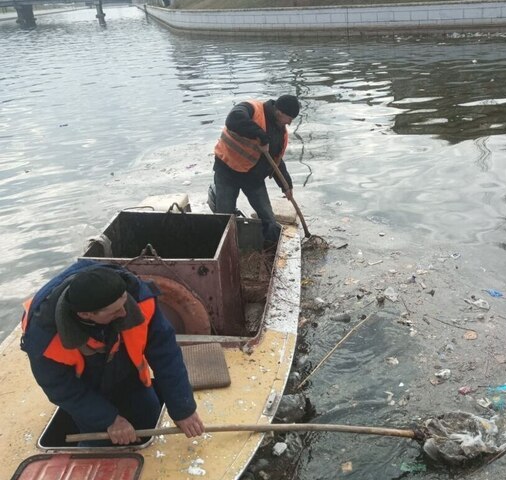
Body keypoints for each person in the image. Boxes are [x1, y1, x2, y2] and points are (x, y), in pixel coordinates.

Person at [20, 262, 204, 446]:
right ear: (86, 315)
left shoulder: (138, 299)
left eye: (124, 302)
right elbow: (60, 387)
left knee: (150, 420)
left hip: (132, 380)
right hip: (88, 391)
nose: (125, 312)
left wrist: (183, 409)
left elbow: (166, 355)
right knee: (100, 443)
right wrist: (108, 420)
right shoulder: (44, 339)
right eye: (115, 311)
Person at [210, 94, 301, 245]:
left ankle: (270, 250)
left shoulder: (280, 133)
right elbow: (233, 119)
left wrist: (286, 186)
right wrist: (261, 136)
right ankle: (225, 249)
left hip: (253, 179)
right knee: (224, 218)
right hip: (227, 172)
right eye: (290, 118)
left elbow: (276, 162)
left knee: (269, 220)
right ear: (279, 112)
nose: (290, 123)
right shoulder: (252, 109)